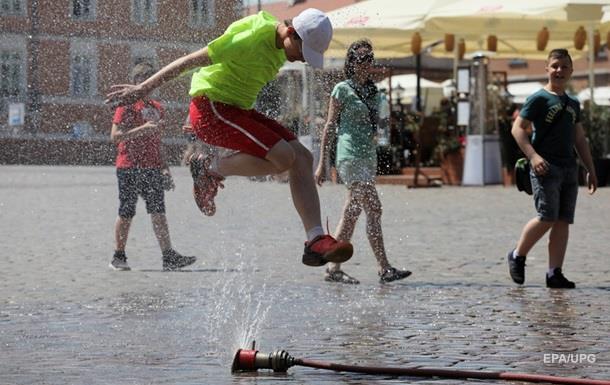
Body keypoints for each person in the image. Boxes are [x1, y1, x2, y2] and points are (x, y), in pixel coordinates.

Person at [105, 9, 353, 267]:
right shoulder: (249, 38)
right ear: (291, 32)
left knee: (302, 156)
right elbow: (191, 61)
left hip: (237, 111)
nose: (302, 59)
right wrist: (143, 88)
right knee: (283, 158)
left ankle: (314, 241)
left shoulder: (281, 41)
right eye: (303, 52)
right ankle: (207, 167)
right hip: (212, 110)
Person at [314, 39, 412, 284]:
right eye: (360, 58)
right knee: (374, 207)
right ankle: (384, 268)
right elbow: (330, 126)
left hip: (368, 156)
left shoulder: (374, 91)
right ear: (351, 62)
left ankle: (333, 268)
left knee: (352, 213)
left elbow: (377, 122)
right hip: (349, 156)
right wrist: (322, 164)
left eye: (369, 58)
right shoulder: (342, 89)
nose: (366, 63)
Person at [508, 48, 597, 289]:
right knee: (547, 217)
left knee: (562, 221)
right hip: (545, 167)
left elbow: (580, 139)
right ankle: (517, 254)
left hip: (569, 167)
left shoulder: (573, 103)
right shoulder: (538, 98)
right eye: (555, 65)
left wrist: (590, 168)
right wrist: (533, 156)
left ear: (570, 71)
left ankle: (554, 273)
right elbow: (518, 129)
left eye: (564, 66)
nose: (559, 70)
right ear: (547, 69)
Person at [109, 62, 197, 271]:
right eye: (145, 80)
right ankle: (118, 256)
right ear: (137, 83)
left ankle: (169, 257)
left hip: (151, 167)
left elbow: (157, 140)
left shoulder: (158, 108)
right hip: (128, 166)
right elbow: (115, 136)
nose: (149, 85)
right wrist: (143, 129)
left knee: (158, 211)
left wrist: (165, 167)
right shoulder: (126, 104)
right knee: (127, 211)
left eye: (152, 80)